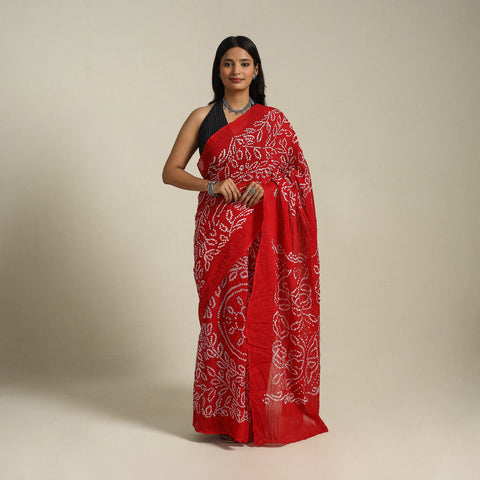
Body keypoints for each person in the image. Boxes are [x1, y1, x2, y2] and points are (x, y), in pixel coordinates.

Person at [162, 36, 328, 445]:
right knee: (225, 320)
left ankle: (261, 415)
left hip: (268, 233)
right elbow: (171, 171)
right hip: (220, 235)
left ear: (256, 71)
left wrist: (268, 187)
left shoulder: (274, 120)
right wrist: (212, 184)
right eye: (228, 63)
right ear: (218, 70)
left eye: (244, 63)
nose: (236, 70)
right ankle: (229, 418)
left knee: (265, 318)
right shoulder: (202, 117)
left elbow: (298, 176)